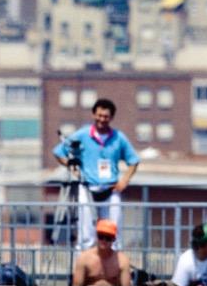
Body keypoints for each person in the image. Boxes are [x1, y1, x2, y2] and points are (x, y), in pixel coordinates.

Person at [52, 98, 141, 250]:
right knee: (85, 233)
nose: (102, 119)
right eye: (99, 115)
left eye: (106, 116)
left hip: (110, 189)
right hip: (87, 188)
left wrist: (125, 180)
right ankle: (83, 268)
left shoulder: (119, 138)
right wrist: (70, 165)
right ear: (94, 115)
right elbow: (59, 151)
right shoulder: (82, 134)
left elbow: (133, 160)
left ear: (111, 118)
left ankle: (113, 268)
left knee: (113, 231)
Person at [70, 219, 132, 286]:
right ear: (96, 236)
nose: (104, 240)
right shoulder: (84, 258)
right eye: (101, 236)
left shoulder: (122, 261)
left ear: (113, 239)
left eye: (108, 237)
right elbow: (77, 285)